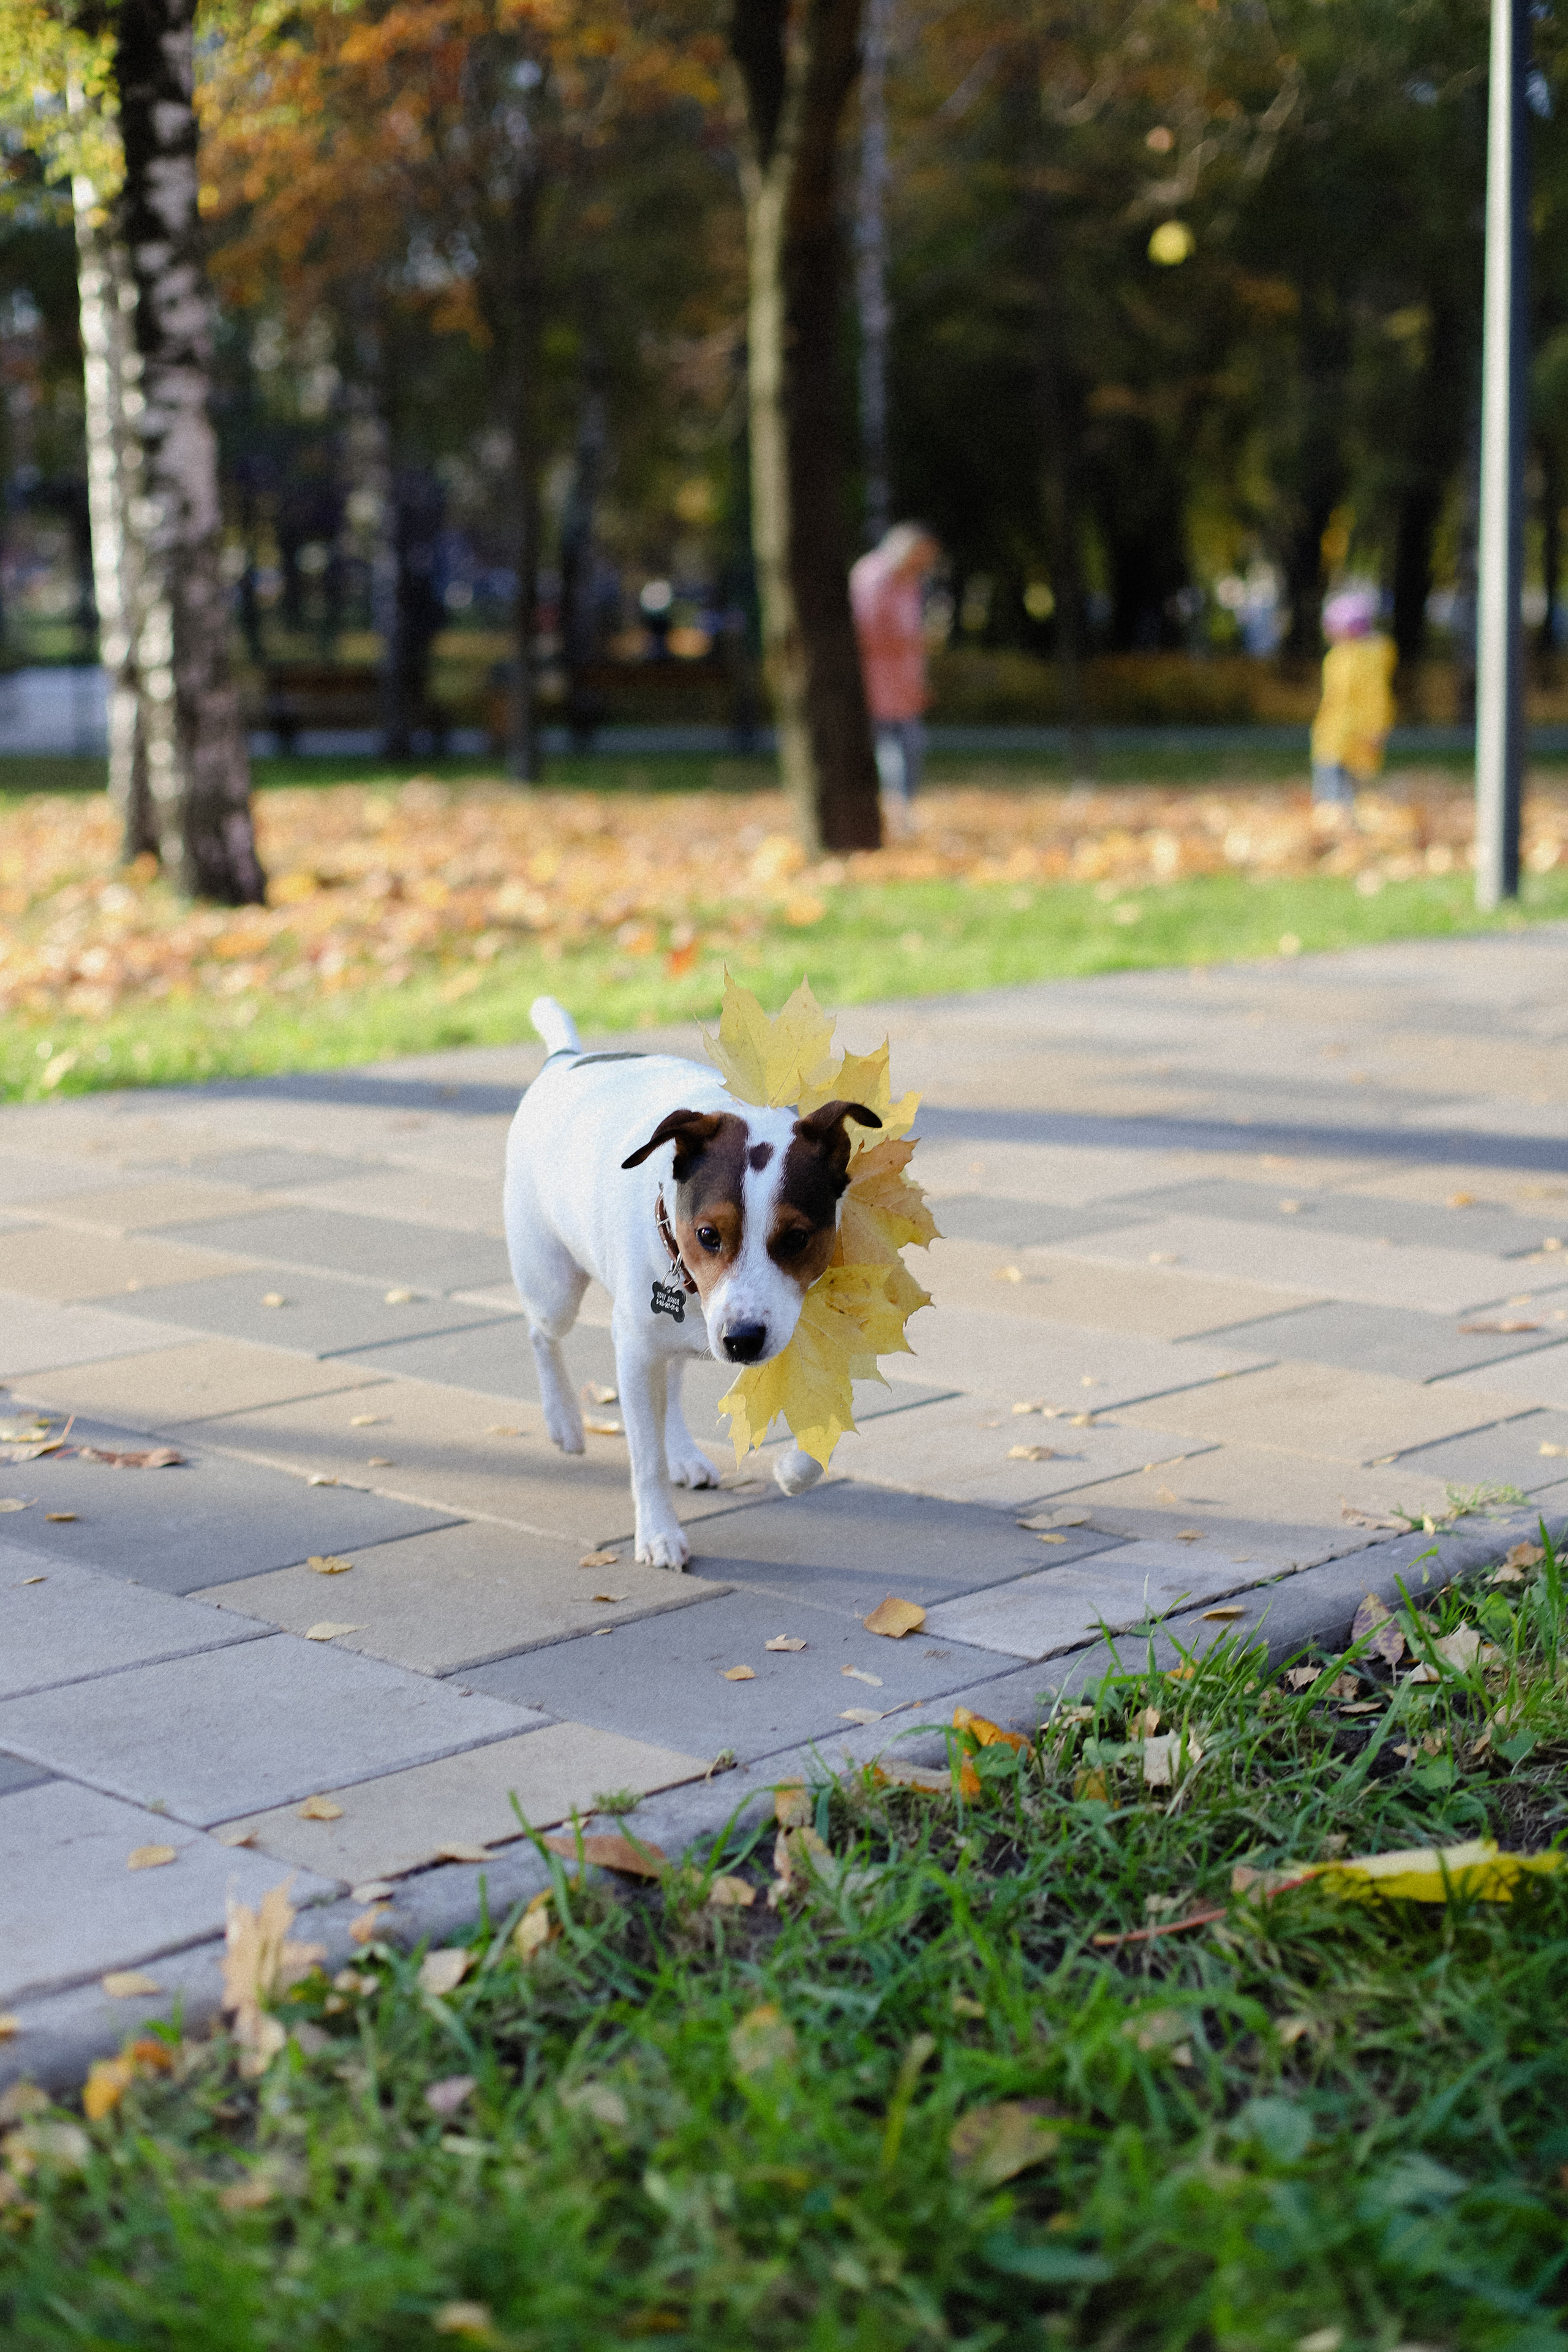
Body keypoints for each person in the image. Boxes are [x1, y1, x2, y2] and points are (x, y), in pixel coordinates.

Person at [850, 522, 940, 833]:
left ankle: (901, 814)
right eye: (921, 557)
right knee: (893, 753)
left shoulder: (910, 582)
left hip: (903, 687)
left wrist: (918, 682)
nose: (925, 565)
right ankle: (896, 816)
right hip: (878, 686)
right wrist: (911, 645)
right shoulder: (872, 578)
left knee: (910, 749)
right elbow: (865, 635)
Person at [1310, 586, 1395, 807]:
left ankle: (1344, 831)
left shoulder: (1368, 659)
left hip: (1355, 736)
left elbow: (1377, 699)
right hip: (1333, 735)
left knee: (1345, 793)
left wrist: (1376, 730)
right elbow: (1333, 699)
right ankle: (1335, 827)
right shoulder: (1337, 657)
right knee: (1330, 789)